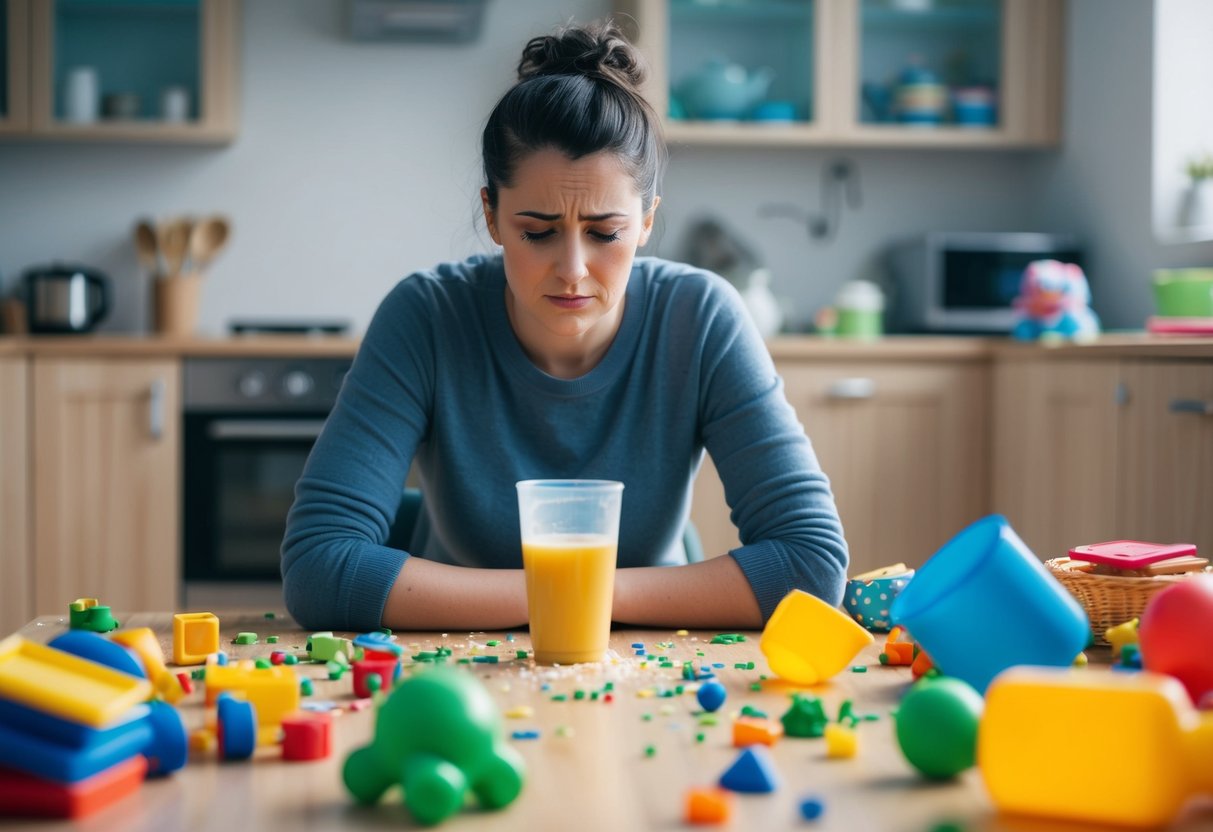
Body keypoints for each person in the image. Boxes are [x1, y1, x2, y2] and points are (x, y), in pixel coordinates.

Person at [281, 20, 847, 633]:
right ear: (492, 216)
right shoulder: (426, 317)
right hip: (448, 658)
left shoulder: (701, 319)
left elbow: (811, 565)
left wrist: (572, 594)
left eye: (605, 234)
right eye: (538, 232)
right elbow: (317, 567)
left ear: (648, 222)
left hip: (644, 660)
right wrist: (565, 594)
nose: (573, 270)